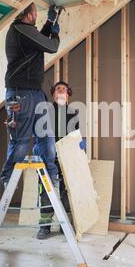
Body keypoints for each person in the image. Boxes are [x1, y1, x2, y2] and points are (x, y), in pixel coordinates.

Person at [0, 3, 61, 190]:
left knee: (47, 138)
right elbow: (51, 46)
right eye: (35, 12)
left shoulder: (26, 31)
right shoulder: (20, 29)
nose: (36, 14)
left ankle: (51, 178)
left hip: (35, 93)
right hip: (20, 94)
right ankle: (8, 178)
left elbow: (38, 40)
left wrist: (50, 22)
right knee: (21, 142)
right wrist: (55, 33)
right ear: (27, 16)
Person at [35, 81, 85, 240]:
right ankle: (45, 227)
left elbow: (75, 136)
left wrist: (81, 144)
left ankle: (65, 225)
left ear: (68, 94)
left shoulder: (73, 114)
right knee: (46, 193)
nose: (61, 91)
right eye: (58, 89)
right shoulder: (46, 111)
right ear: (53, 94)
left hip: (67, 159)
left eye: (64, 89)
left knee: (66, 192)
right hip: (48, 160)